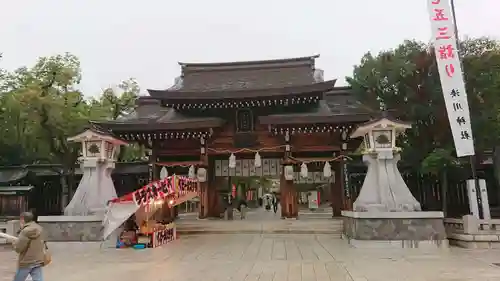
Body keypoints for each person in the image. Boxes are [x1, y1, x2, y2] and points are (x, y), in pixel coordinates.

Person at [8, 211, 46, 281]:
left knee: (18, 279)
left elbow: (19, 248)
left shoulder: (25, 231)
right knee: (38, 278)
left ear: (22, 219)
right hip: (38, 258)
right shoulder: (39, 228)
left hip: (27, 260)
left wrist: (14, 243)